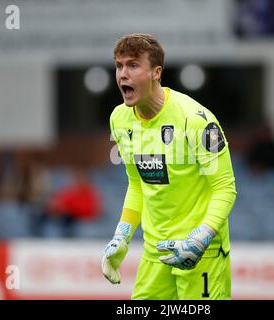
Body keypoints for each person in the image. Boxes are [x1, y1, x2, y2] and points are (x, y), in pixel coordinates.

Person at [101, 34, 237, 300]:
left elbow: (225, 188)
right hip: (156, 252)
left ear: (156, 73)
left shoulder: (196, 120)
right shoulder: (119, 119)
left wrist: (201, 238)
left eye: (133, 65)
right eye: (119, 66)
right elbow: (137, 184)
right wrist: (122, 236)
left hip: (202, 253)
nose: (122, 75)